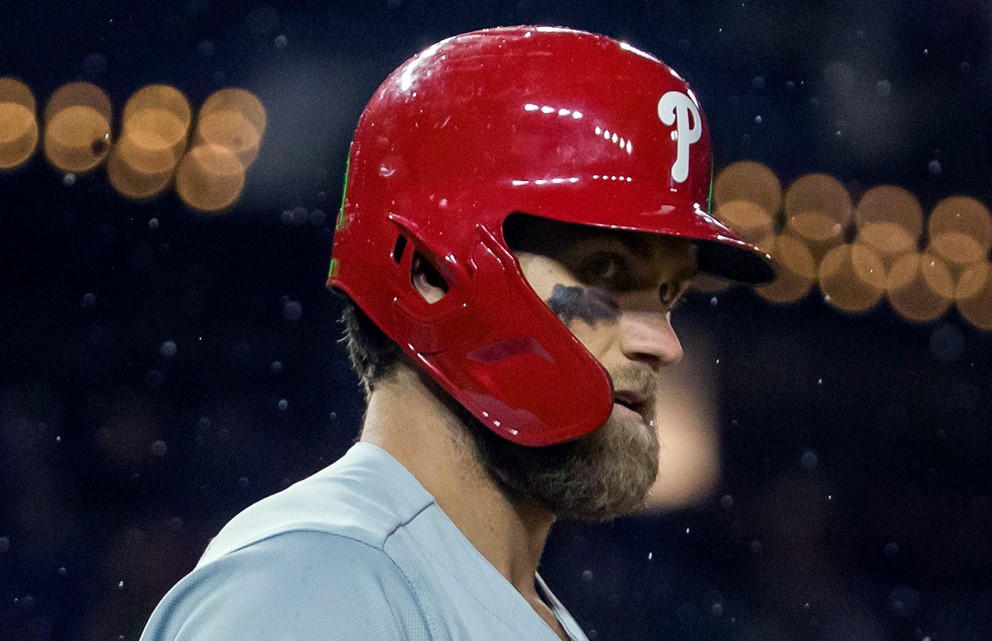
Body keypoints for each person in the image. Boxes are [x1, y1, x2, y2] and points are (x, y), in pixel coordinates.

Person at [140, 25, 775, 641]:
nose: (665, 344)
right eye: (606, 272)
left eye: (669, 295)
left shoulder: (475, 594)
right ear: (430, 274)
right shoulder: (316, 586)